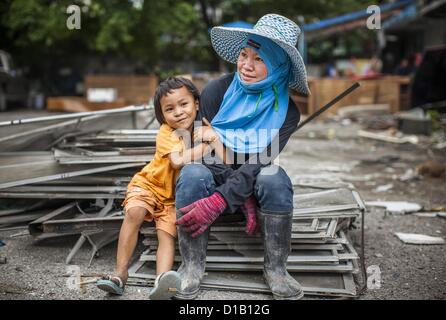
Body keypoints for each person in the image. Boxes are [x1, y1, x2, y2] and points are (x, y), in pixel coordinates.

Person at [175, 13, 310, 300]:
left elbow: (261, 161)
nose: (246, 66)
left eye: (259, 59)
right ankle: (191, 266)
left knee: (275, 178)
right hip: (214, 173)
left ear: (279, 65)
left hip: (250, 178)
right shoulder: (216, 91)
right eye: (243, 55)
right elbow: (202, 151)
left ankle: (276, 269)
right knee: (192, 172)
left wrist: (224, 198)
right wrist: (239, 195)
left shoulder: (287, 112)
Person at [96, 77, 223, 299]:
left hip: (173, 198)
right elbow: (177, 160)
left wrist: (215, 138)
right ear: (162, 115)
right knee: (135, 212)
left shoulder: (205, 128)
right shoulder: (167, 131)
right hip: (149, 185)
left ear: (196, 103)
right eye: (169, 109)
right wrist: (207, 144)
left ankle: (162, 282)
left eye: (183, 104)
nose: (178, 112)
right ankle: (120, 275)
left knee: (166, 235)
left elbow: (225, 159)